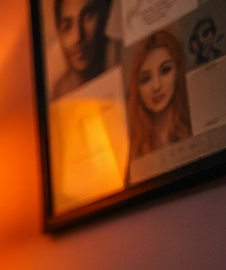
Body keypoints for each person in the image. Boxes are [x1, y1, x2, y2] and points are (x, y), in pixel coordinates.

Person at [127, 29, 193, 161]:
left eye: (165, 70)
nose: (156, 86)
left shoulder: (194, 126)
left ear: (178, 72)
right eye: (146, 79)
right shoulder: (134, 148)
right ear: (137, 89)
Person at [50, 0, 123, 99]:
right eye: (66, 27)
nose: (77, 37)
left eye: (87, 17)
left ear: (105, 15)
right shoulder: (60, 93)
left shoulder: (124, 58)